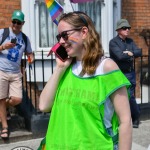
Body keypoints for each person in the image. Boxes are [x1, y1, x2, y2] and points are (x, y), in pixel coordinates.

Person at [39, 12, 132, 150]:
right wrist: (59, 68)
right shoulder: (66, 67)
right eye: (59, 37)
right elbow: (44, 106)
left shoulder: (106, 67)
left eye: (65, 35)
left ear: (84, 32)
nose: (60, 42)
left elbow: (125, 122)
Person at [0, 10, 34, 139]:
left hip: (15, 73)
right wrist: (3, 47)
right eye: (14, 22)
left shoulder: (24, 38)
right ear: (11, 21)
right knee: (1, 98)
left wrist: (31, 57)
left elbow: (30, 53)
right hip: (1, 70)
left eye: (18, 22)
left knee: (16, 99)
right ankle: (5, 127)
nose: (15, 24)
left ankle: (3, 108)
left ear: (23, 23)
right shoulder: (3, 33)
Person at [109, 19, 142, 128]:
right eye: (124, 28)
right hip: (117, 73)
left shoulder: (130, 41)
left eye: (128, 28)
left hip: (129, 74)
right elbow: (119, 56)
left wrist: (130, 53)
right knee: (118, 97)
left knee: (130, 97)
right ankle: (120, 119)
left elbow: (139, 52)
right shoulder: (113, 42)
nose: (127, 30)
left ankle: (135, 117)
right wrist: (130, 55)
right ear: (118, 30)